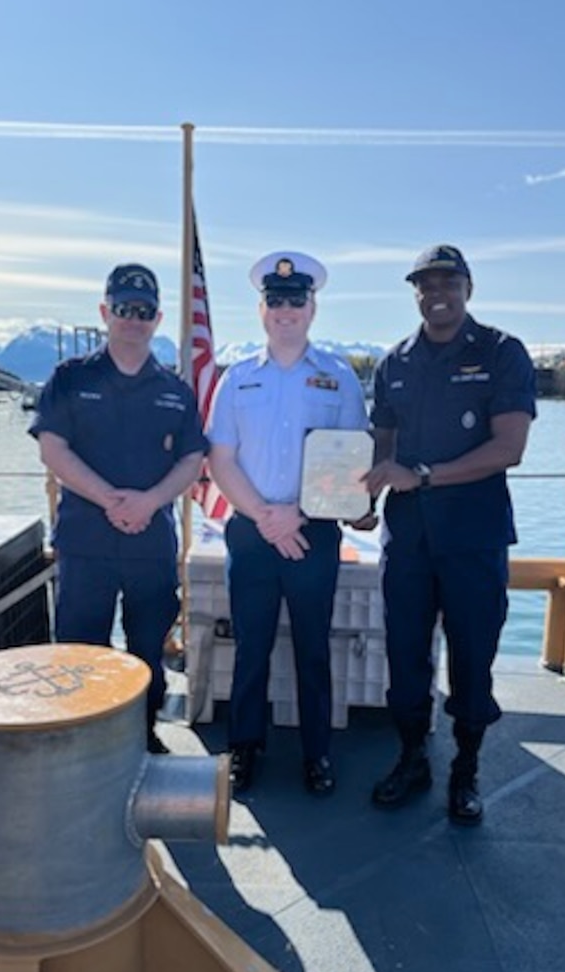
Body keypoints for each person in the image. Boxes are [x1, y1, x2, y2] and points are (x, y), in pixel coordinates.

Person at [366, 244, 536, 824]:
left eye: (448, 282)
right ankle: (413, 757)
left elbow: (509, 447)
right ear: (414, 292)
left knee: (473, 656)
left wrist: (424, 475)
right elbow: (382, 446)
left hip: (474, 537)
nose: (436, 293)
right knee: (405, 654)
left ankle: (466, 769)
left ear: (468, 287)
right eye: (425, 283)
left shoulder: (501, 352)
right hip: (408, 539)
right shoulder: (395, 362)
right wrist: (360, 499)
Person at [207, 251, 370, 796]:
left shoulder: (339, 378)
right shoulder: (236, 379)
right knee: (250, 645)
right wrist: (266, 518)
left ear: (312, 307)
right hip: (252, 532)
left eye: (295, 300)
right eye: (275, 301)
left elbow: (351, 459)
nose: (285, 310)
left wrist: (295, 516)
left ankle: (316, 753)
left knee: (311, 647)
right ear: (261, 309)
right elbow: (220, 460)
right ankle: (243, 749)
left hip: (314, 530)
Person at [29, 264, 207, 753]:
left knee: (148, 648)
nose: (134, 319)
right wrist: (111, 499)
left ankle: (142, 732)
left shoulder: (175, 390)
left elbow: (193, 457)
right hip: (86, 543)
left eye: (144, 311)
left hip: (149, 543)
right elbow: (52, 448)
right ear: (106, 312)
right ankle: (83, 739)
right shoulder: (70, 378)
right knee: (80, 648)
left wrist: (149, 501)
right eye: (125, 309)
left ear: (158, 319)